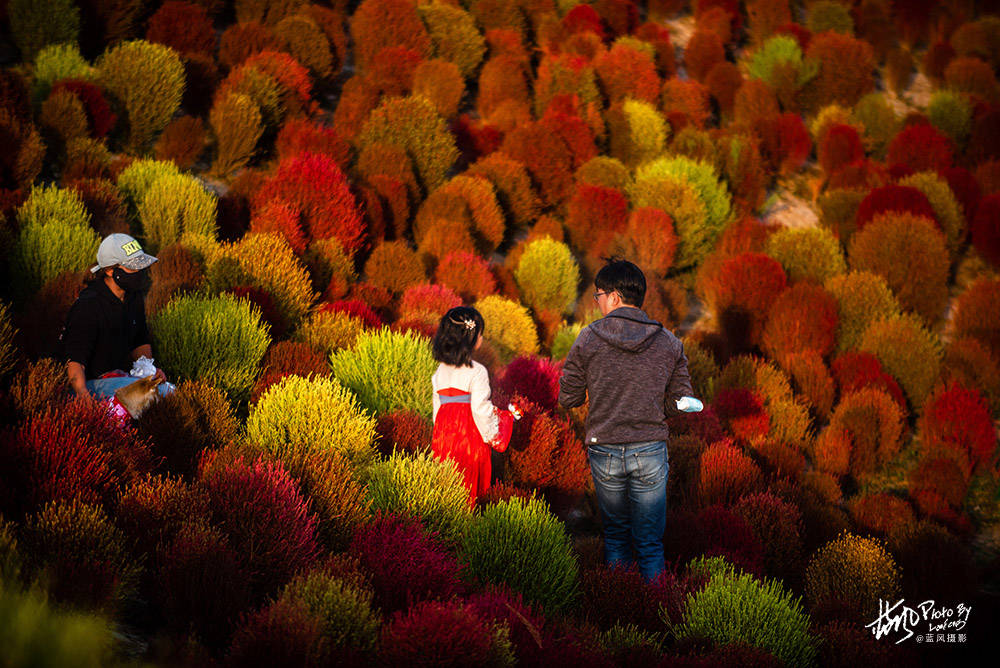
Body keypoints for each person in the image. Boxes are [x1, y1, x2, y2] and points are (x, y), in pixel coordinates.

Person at [558, 259, 696, 581]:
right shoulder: (669, 342)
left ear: (615, 297)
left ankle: (620, 611)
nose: (598, 302)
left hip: (604, 449)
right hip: (650, 450)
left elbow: (569, 398)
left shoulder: (588, 338)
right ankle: (657, 615)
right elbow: (680, 402)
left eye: (599, 296)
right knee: (650, 543)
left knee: (616, 539)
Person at [59, 233, 171, 403]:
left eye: (140, 265)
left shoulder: (133, 296)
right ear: (110, 270)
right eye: (132, 267)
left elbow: (139, 340)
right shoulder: (89, 305)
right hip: (85, 386)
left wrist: (150, 371)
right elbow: (75, 362)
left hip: (116, 378)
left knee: (168, 391)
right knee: (154, 396)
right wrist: (85, 402)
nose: (139, 271)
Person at [431, 306, 516, 507]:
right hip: (469, 440)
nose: (482, 338)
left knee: (445, 489)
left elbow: (436, 411)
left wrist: (438, 436)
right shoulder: (477, 371)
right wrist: (499, 427)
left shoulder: (440, 370)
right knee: (470, 488)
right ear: (469, 337)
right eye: (480, 334)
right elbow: (481, 410)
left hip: (443, 439)